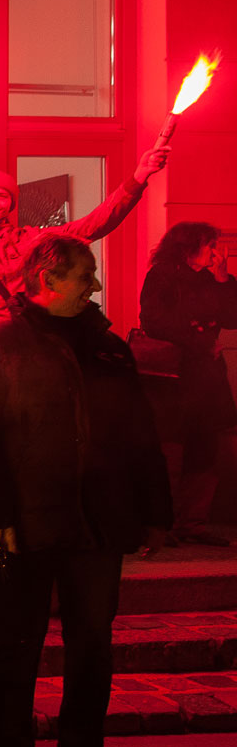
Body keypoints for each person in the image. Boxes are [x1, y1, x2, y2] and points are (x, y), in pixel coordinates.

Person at [0, 234, 172, 747]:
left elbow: (140, 433)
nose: (94, 285)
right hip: (28, 521)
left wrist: (155, 512)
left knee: (92, 646)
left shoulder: (108, 347)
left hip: (99, 521)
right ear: (46, 280)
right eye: (84, 275)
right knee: (18, 646)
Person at [0, 145, 171, 371]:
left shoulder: (31, 240)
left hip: (28, 354)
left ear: (11, 203)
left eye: (2, 196)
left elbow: (91, 227)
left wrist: (137, 180)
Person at [138, 222, 237, 545]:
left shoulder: (210, 279)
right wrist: (199, 340)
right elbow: (154, 321)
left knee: (205, 448)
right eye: (209, 244)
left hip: (206, 378)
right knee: (171, 448)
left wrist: (223, 279)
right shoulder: (163, 275)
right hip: (173, 378)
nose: (215, 251)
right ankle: (162, 523)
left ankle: (193, 523)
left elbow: (232, 317)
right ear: (188, 247)